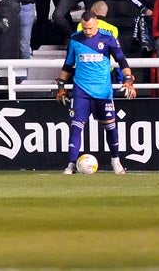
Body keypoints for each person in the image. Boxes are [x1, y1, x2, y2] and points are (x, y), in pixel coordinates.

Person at [56, 10, 136, 175]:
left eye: (90, 28)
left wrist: (128, 80)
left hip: (103, 92)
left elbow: (122, 60)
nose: (87, 32)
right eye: (85, 28)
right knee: (76, 127)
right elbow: (68, 65)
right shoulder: (75, 39)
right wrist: (61, 87)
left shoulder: (108, 38)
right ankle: (71, 164)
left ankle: (115, 161)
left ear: (96, 23)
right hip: (81, 91)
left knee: (110, 127)